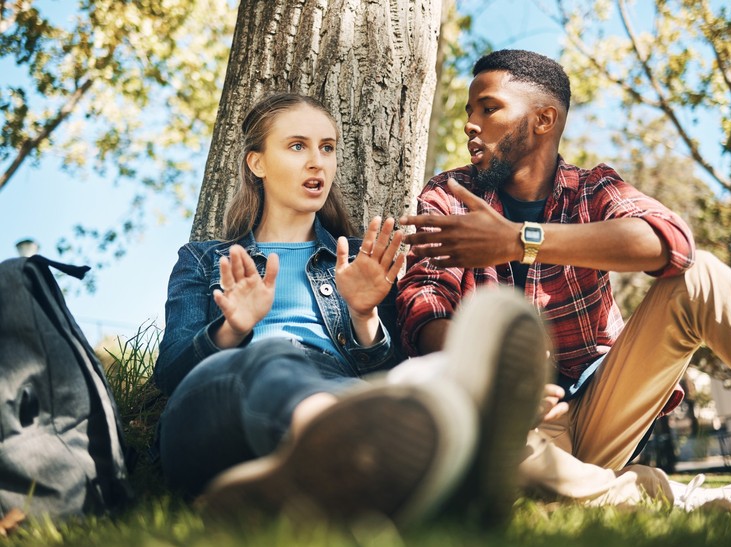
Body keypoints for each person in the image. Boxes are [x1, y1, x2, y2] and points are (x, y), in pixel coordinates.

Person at [396, 49, 731, 508]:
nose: (470, 125)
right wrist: (492, 376)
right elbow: (424, 301)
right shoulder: (449, 196)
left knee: (699, 277)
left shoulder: (592, 188)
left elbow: (672, 244)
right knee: (496, 466)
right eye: (468, 110)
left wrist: (522, 239)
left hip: (603, 407)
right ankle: (672, 498)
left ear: (544, 120)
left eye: (489, 108)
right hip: (509, 428)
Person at [152, 92, 550, 524]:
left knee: (419, 377)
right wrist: (233, 330)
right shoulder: (203, 259)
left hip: (335, 395)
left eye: (327, 148)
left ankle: (326, 476)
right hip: (211, 413)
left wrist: (365, 316)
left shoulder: (362, 260)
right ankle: (367, 448)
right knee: (272, 353)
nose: (317, 162)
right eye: (297, 146)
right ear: (257, 164)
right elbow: (173, 373)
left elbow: (389, 370)